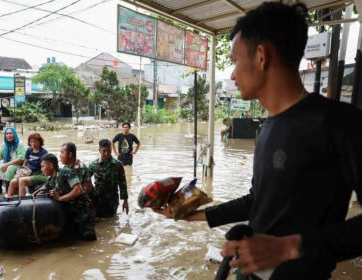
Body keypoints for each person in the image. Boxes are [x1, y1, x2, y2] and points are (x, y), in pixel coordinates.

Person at [154, 3, 362, 279]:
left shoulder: (339, 123)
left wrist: (291, 247)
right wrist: (191, 212)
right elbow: (257, 201)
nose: (231, 74)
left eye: (235, 61)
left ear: (261, 56)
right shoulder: (267, 128)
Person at [40, 154, 96, 241]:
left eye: (43, 166)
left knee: (88, 239)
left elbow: (78, 190)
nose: (41, 169)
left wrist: (59, 198)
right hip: (70, 213)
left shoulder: (65, 172)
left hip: (83, 211)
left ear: (51, 165)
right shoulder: (50, 180)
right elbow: (43, 190)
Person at [89, 139, 128, 218]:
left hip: (112, 200)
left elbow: (122, 183)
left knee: (111, 220)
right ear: (99, 150)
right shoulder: (93, 165)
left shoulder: (118, 165)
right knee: (98, 220)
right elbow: (85, 180)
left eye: (109, 151)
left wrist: (125, 201)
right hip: (98, 198)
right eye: (104, 151)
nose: (107, 153)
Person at [7, 133, 48, 198]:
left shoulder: (44, 152)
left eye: (35, 142)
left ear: (40, 142)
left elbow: (45, 167)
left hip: (39, 174)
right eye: (31, 142)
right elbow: (25, 163)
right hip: (28, 172)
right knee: (13, 182)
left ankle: (21, 201)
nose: (33, 144)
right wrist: (22, 172)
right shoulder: (29, 150)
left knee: (22, 180)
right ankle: (9, 198)